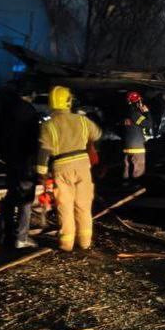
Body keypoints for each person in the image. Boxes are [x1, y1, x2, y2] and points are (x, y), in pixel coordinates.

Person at [36, 86, 102, 252]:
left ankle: (66, 244)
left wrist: (42, 173)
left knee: (65, 206)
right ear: (69, 101)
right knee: (83, 205)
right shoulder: (82, 120)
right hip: (82, 165)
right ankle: (85, 242)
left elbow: (44, 151)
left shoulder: (48, 125)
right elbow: (98, 135)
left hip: (61, 166)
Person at [0, 87, 40, 249]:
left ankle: (5, 233)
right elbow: (35, 138)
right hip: (25, 161)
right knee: (25, 199)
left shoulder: (5, 110)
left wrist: (0, 154)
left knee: (10, 195)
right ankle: (21, 237)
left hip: (9, 160)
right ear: (31, 95)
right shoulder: (29, 111)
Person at [122, 91, 151, 183]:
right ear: (137, 102)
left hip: (127, 148)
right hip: (137, 149)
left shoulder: (125, 112)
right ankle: (136, 189)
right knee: (138, 171)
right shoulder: (134, 114)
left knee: (127, 169)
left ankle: (125, 187)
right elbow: (148, 124)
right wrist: (147, 112)